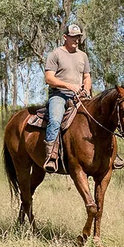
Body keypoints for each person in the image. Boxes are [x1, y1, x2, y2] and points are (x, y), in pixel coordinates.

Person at [41, 22, 91, 171]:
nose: (76, 40)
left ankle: (111, 156)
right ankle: (51, 156)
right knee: (55, 119)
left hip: (79, 96)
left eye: (78, 37)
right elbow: (49, 78)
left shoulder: (83, 56)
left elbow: (87, 76)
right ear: (65, 37)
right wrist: (68, 86)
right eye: (73, 37)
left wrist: (86, 90)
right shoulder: (55, 54)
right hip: (59, 95)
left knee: (98, 116)